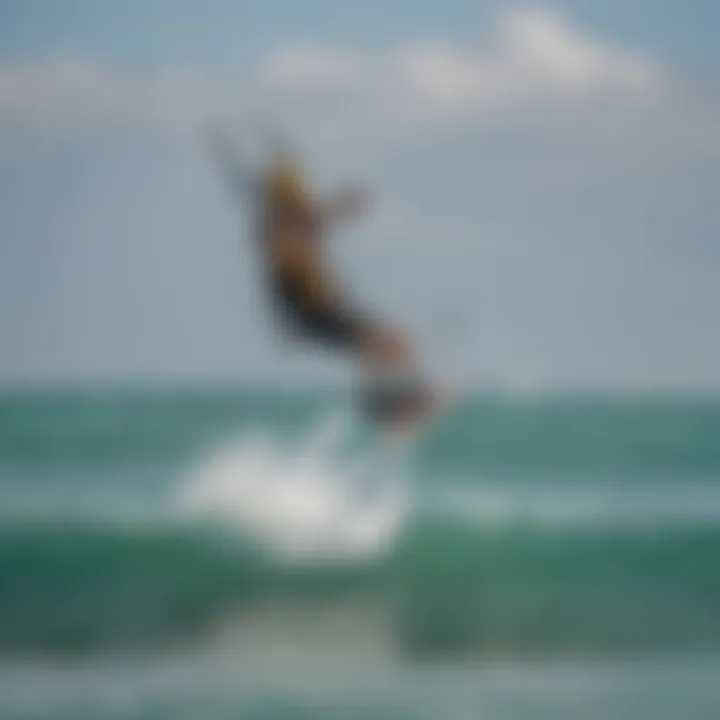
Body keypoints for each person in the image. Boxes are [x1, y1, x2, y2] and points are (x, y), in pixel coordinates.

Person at [210, 131, 437, 427]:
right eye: (298, 190)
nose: (305, 193)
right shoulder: (276, 230)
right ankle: (393, 408)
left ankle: (397, 406)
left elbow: (319, 217)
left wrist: (343, 206)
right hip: (309, 314)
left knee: (391, 343)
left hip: (325, 306)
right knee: (382, 343)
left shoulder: (296, 221)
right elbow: (295, 239)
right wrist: (328, 214)